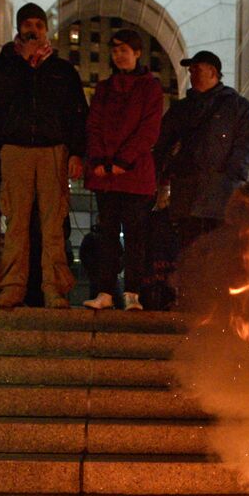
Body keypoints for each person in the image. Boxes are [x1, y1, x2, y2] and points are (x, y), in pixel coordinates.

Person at [0, 3, 88, 309]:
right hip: (15, 150)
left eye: (39, 25)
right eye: (28, 25)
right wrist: (20, 65)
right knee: (15, 224)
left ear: (46, 30)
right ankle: (13, 286)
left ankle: (54, 289)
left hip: (53, 150)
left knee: (53, 225)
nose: (34, 30)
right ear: (19, 28)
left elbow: (77, 115)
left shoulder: (63, 70)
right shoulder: (3, 65)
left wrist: (77, 152)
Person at [82, 28, 163, 311]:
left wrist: (122, 161)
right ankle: (105, 291)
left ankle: (132, 292)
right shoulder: (104, 89)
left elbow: (148, 129)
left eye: (124, 50)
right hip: (107, 175)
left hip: (134, 174)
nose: (119, 56)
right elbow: (93, 126)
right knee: (106, 235)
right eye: (115, 51)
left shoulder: (150, 87)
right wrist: (100, 161)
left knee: (135, 236)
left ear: (137, 52)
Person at [153, 50, 249, 254]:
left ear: (212, 72)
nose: (191, 74)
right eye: (190, 71)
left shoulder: (237, 106)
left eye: (196, 69)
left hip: (221, 194)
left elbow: (246, 144)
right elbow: (162, 143)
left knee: (218, 250)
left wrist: (231, 177)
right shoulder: (181, 109)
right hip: (187, 193)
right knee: (189, 250)